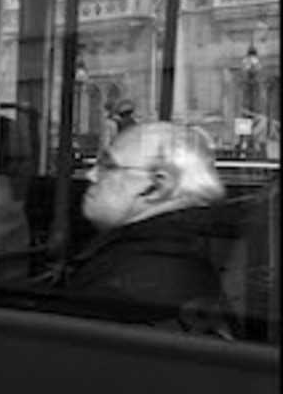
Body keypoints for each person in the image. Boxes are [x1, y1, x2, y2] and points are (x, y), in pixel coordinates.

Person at [63, 120, 227, 324]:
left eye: (107, 166)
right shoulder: (186, 248)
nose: (91, 175)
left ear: (156, 187)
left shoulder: (125, 287)